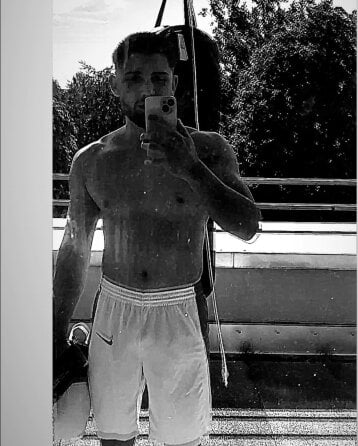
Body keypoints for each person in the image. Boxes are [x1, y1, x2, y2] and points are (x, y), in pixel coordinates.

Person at [53, 32, 260, 446]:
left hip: (179, 308)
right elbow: (75, 249)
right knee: (114, 437)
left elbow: (248, 226)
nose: (147, 89)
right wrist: (54, 330)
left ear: (175, 85)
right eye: (133, 78)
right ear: (115, 84)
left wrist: (192, 169)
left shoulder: (210, 150)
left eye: (159, 79)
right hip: (115, 310)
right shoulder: (92, 161)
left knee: (182, 440)